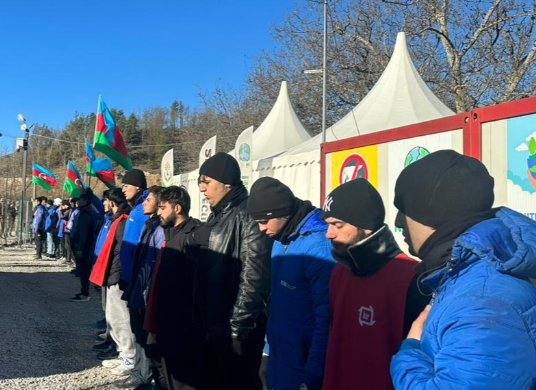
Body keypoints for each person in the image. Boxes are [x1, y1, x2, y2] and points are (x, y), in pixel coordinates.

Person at [390, 150, 536, 390]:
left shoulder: (480, 302)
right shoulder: (464, 273)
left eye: (404, 209)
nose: (398, 221)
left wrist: (409, 355)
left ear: (432, 213)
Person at [320, 179, 427, 390]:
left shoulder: (411, 279)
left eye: (338, 225)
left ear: (366, 227)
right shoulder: (340, 271)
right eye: (328, 224)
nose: (329, 234)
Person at [189, 152, 271, 390]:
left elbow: (255, 277)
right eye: (200, 183)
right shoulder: (219, 214)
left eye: (207, 182)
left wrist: (238, 329)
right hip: (214, 323)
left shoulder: (246, 214)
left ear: (227, 183)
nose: (202, 189)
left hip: (235, 328)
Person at [247, 177, 335, 390]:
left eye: (264, 221)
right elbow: (277, 305)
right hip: (281, 358)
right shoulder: (280, 241)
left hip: (304, 366)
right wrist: (268, 352)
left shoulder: (319, 248)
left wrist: (313, 374)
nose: (260, 229)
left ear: (281, 213)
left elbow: (326, 319)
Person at [144, 185, 201, 390]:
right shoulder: (169, 233)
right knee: (162, 367)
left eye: (162, 207)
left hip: (181, 323)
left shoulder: (193, 236)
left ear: (177, 208)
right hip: (162, 317)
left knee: (183, 378)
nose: (158, 212)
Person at [116, 186, 165, 389]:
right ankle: (139, 371)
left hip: (147, 289)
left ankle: (145, 377)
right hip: (138, 285)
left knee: (147, 337)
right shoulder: (149, 225)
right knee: (138, 332)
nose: (144, 202)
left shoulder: (160, 230)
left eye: (149, 199)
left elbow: (155, 263)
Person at [90, 188, 136, 377]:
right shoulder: (113, 219)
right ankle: (122, 352)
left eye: (105, 201)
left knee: (121, 317)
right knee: (112, 315)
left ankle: (129, 356)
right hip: (110, 274)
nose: (103, 204)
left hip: (116, 274)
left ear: (112, 201)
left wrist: (116, 272)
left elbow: (122, 251)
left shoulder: (123, 221)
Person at [120, 169, 150, 288]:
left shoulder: (144, 208)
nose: (123, 190)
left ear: (137, 186)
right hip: (129, 271)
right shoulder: (136, 207)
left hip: (136, 274)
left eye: (126, 186)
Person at [71, 191, 99, 302]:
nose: (78, 202)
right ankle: (83, 291)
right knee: (82, 270)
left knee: (83, 271)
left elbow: (84, 233)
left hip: (84, 247)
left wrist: (81, 248)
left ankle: (85, 293)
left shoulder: (86, 214)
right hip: (82, 245)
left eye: (80, 200)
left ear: (86, 201)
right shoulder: (83, 212)